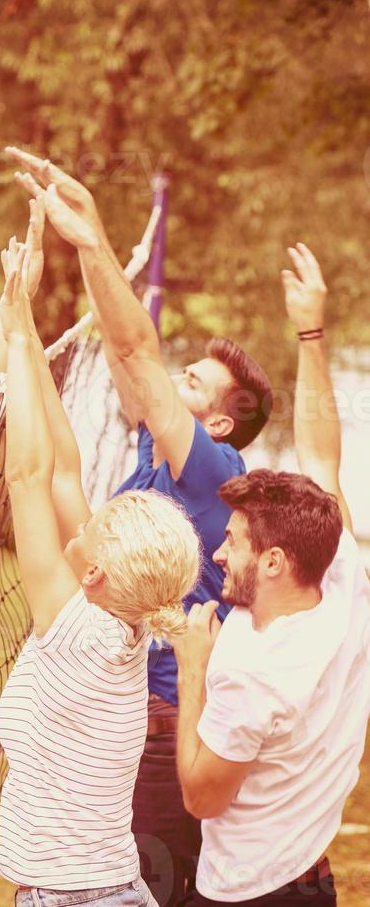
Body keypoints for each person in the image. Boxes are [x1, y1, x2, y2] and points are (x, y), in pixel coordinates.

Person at [6, 146, 273, 905]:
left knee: (149, 880)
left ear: (219, 420)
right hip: (125, 710)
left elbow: (133, 349)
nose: (170, 380)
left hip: (158, 725)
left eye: (193, 383)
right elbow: (115, 381)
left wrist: (89, 238)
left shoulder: (213, 467)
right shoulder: (151, 473)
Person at [0, 240, 201, 907]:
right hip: (108, 889)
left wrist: (18, 329)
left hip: (71, 898)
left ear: (94, 575)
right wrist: (22, 329)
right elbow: (60, 472)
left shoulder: (77, 630)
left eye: (91, 530)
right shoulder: (122, 620)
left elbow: (26, 475)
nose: (79, 527)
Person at [173, 244, 369, 906]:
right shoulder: (340, 585)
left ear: (276, 561)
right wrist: (310, 331)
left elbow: (202, 796)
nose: (219, 555)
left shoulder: (247, 675)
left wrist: (194, 663)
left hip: (245, 894)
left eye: (231, 544)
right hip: (314, 880)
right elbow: (319, 451)